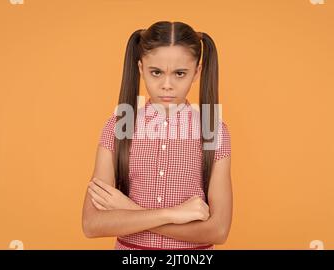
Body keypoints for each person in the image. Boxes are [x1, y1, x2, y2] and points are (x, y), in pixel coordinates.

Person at [82, 21, 232, 250]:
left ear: (196, 73)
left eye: (180, 73)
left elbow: (218, 230)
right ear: (141, 69)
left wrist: (131, 211)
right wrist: (173, 214)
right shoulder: (117, 126)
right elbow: (92, 224)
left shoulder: (214, 131)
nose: (167, 85)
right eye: (156, 72)